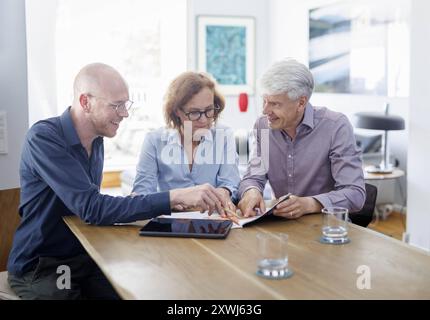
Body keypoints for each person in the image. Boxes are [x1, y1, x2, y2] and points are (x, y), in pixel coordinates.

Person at [7, 63, 228, 300]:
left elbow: (96, 209)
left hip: (85, 257)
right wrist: (174, 197)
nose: (125, 113)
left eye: (126, 104)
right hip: (43, 265)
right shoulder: (44, 138)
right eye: (117, 105)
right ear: (85, 102)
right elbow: (92, 207)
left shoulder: (97, 140)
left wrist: (169, 203)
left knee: (141, 293)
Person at [238, 59, 365, 219]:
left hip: (327, 227)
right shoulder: (262, 126)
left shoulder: (335, 126)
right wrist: (251, 191)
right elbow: (254, 176)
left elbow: (355, 193)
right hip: (282, 227)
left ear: (301, 102)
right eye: (264, 101)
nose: (265, 110)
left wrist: (310, 204)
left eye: (275, 104)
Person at [132, 72, 240, 212]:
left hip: (212, 219)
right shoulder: (154, 140)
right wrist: (169, 201)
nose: (204, 120)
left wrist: (224, 191)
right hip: (171, 221)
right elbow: (141, 195)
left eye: (209, 110)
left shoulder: (224, 136)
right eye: (194, 112)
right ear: (177, 111)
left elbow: (231, 183)